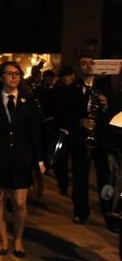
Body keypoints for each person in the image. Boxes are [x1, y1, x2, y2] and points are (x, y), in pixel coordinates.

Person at [0, 61, 45, 258]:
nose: (14, 77)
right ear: (0, 77)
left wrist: (40, 159)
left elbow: (35, 132)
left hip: (21, 157)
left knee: (20, 202)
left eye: (17, 74)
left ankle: (19, 239)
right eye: (9, 73)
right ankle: (4, 240)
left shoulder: (27, 101)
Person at [54, 54, 114, 227]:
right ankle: (81, 212)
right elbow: (62, 114)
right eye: (83, 63)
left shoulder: (105, 89)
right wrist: (79, 121)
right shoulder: (71, 89)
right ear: (79, 67)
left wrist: (105, 106)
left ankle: (108, 213)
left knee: (104, 178)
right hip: (80, 140)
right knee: (80, 178)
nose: (87, 66)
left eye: (91, 63)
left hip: (100, 141)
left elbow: (112, 117)